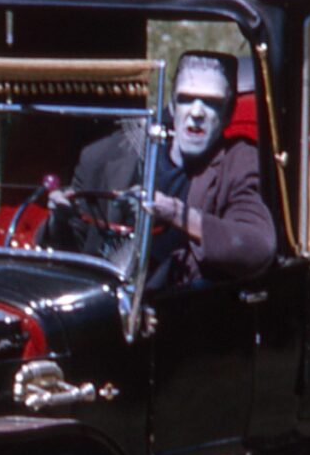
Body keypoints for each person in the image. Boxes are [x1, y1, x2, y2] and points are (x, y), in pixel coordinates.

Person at [53, 50, 276, 284]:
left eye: (211, 103)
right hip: (104, 300)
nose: (196, 113)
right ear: (172, 105)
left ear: (229, 113)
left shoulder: (239, 160)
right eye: (186, 98)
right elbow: (71, 251)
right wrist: (59, 220)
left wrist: (175, 212)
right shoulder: (106, 155)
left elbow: (257, 247)